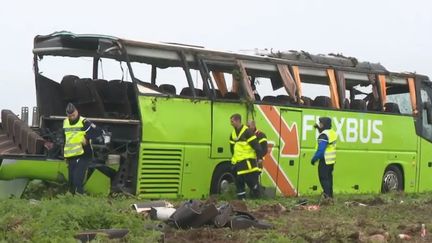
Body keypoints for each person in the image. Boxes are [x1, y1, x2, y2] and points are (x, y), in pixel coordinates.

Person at [63, 103, 103, 194]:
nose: (72, 117)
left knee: (77, 179)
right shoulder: (65, 122)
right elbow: (65, 139)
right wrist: (64, 155)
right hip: (71, 155)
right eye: (70, 116)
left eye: (73, 115)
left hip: (84, 154)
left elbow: (98, 131)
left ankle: (80, 198)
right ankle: (71, 200)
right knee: (71, 181)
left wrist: (87, 138)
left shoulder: (84, 122)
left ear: (77, 112)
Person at [229, 114, 263, 199]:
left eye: (232, 121)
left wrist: (259, 158)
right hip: (238, 163)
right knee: (239, 183)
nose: (231, 123)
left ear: (237, 121)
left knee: (252, 183)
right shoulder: (233, 134)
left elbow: (256, 146)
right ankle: (241, 201)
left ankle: (258, 198)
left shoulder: (247, 132)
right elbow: (232, 149)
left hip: (248, 164)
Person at [311, 117, 337, 199]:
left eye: (321, 123)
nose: (320, 124)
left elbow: (321, 149)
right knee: (329, 179)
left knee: (323, 179)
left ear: (325, 124)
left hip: (324, 160)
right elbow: (325, 134)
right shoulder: (332, 132)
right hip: (331, 161)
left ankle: (327, 197)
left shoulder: (324, 135)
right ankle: (330, 196)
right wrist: (318, 128)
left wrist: (314, 159)